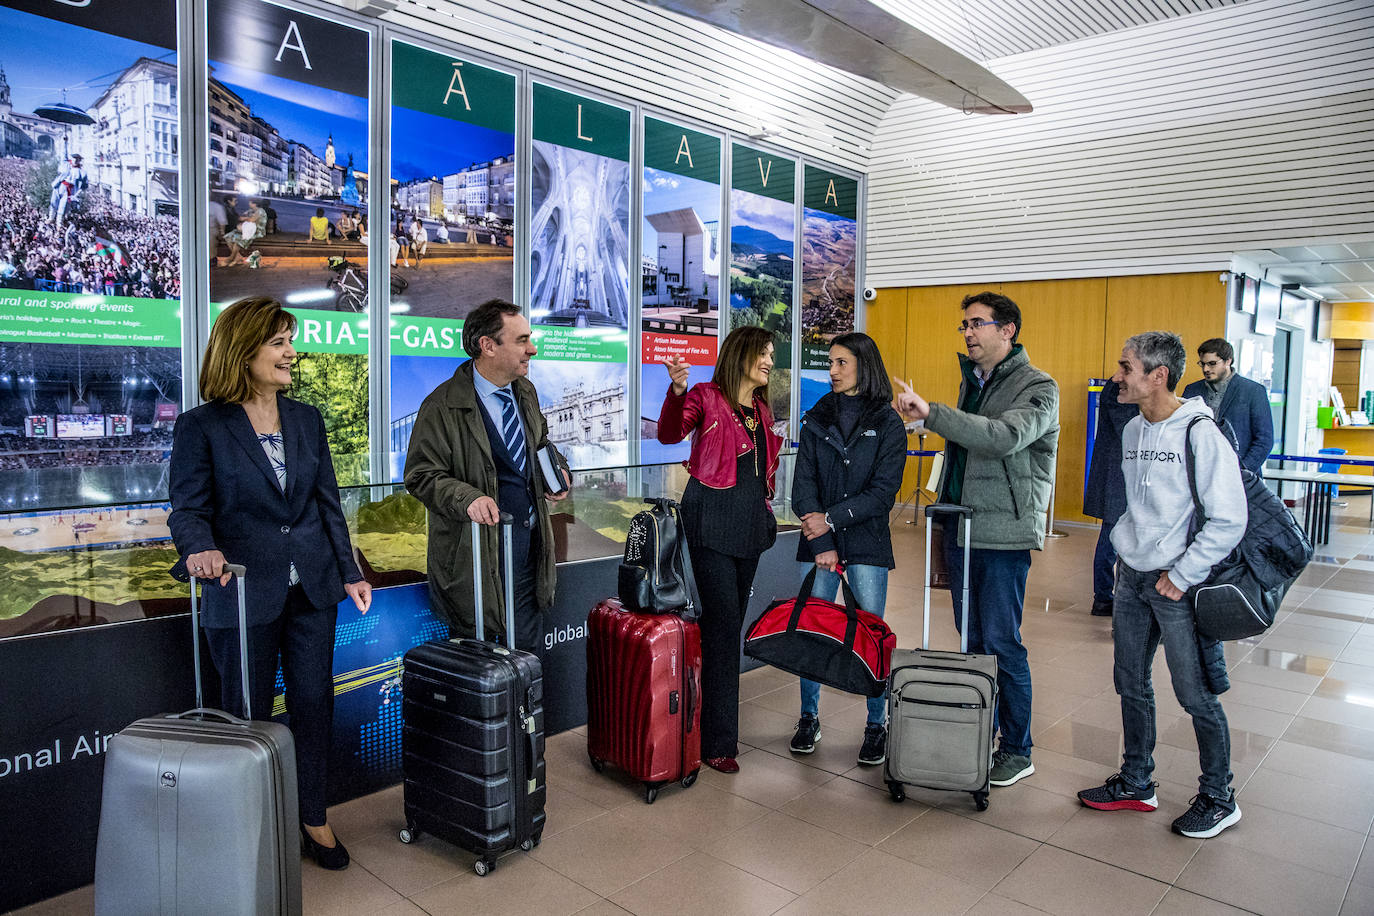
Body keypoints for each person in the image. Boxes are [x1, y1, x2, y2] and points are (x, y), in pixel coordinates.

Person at [167, 297, 373, 870]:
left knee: (313, 705)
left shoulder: (306, 418)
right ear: (244, 349)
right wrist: (200, 547)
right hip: (240, 596)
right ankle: (251, 825)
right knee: (247, 716)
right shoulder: (200, 426)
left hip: (313, 589)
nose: (291, 352)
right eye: (279, 342)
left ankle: (313, 817)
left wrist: (350, 572)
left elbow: (328, 505)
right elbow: (187, 510)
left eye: (290, 340)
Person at [1077, 331, 1246, 838]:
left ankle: (1220, 796)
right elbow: (1138, 507)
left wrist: (1181, 574)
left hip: (1180, 586)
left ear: (1158, 377)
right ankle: (1136, 782)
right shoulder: (1131, 431)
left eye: (1126, 368)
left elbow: (1229, 519)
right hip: (1131, 578)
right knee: (1129, 682)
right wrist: (1128, 557)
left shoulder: (1199, 434)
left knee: (1194, 695)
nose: (1116, 377)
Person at [894, 291, 1059, 789]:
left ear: (1007, 330)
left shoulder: (1039, 386)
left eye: (977, 324)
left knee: (1002, 643)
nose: (967, 332)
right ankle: (982, 728)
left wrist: (935, 414)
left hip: (1002, 534)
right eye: (963, 325)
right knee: (973, 642)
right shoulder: (976, 382)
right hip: (962, 525)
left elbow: (1003, 437)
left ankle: (1017, 748)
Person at [404, 299, 571, 654]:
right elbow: (421, 475)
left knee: (527, 665)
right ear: (488, 345)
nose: (533, 349)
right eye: (522, 340)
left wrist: (556, 472)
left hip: (528, 557)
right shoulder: (441, 406)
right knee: (482, 679)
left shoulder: (526, 393)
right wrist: (468, 498)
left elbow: (540, 444)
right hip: (474, 565)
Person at [658, 326, 782, 774]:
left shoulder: (761, 410)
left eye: (771, 354)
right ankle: (717, 741)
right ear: (741, 354)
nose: (769, 361)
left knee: (726, 627)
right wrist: (676, 390)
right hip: (710, 521)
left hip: (749, 527)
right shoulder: (706, 396)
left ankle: (715, 733)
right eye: (763, 353)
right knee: (724, 627)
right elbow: (669, 435)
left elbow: (761, 473)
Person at [788, 332, 906, 766]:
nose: (832, 371)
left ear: (863, 365)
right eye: (830, 363)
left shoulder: (889, 424)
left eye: (840, 363)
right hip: (820, 547)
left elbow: (882, 494)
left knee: (869, 635)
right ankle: (808, 717)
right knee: (812, 632)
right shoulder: (816, 417)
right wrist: (822, 541)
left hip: (867, 544)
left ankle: (877, 724)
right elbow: (803, 487)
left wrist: (831, 522)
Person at [1082, 378, 1138, 616]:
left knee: (1111, 538)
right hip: (1118, 476)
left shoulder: (1123, 386)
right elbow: (1129, 428)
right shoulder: (1119, 388)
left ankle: (1106, 597)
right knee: (1111, 539)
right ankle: (1104, 598)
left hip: (1118, 475)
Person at [1181, 338, 1273, 473]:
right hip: (1199, 472)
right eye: (1203, 364)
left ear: (1228, 361)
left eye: (1212, 363)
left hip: (1240, 475)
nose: (1206, 369)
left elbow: (1264, 440)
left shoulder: (1253, 391)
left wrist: (1241, 471)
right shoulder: (1192, 390)